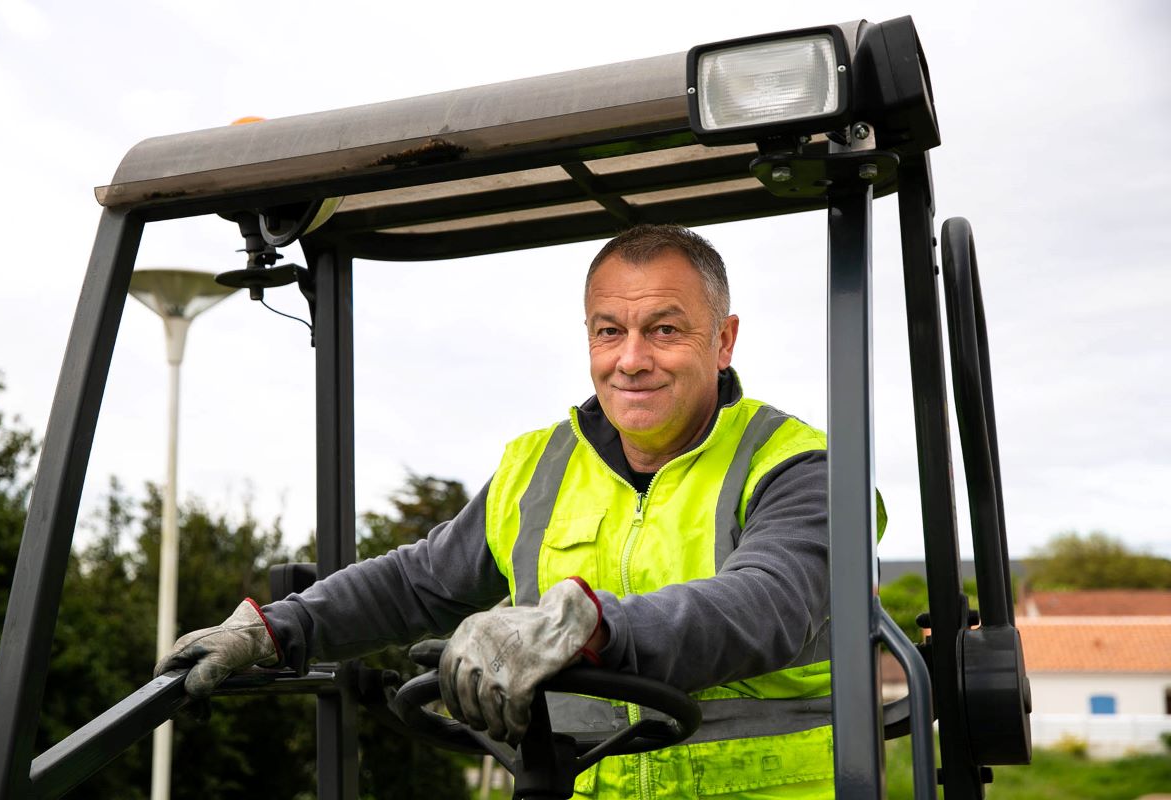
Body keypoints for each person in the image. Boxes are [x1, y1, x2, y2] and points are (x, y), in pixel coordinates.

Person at [157, 224, 864, 799]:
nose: (631, 359)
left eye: (665, 330)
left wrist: (585, 624)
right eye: (609, 331)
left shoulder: (796, 467)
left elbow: (768, 605)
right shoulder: (538, 467)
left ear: (725, 339)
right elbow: (419, 583)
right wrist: (281, 628)